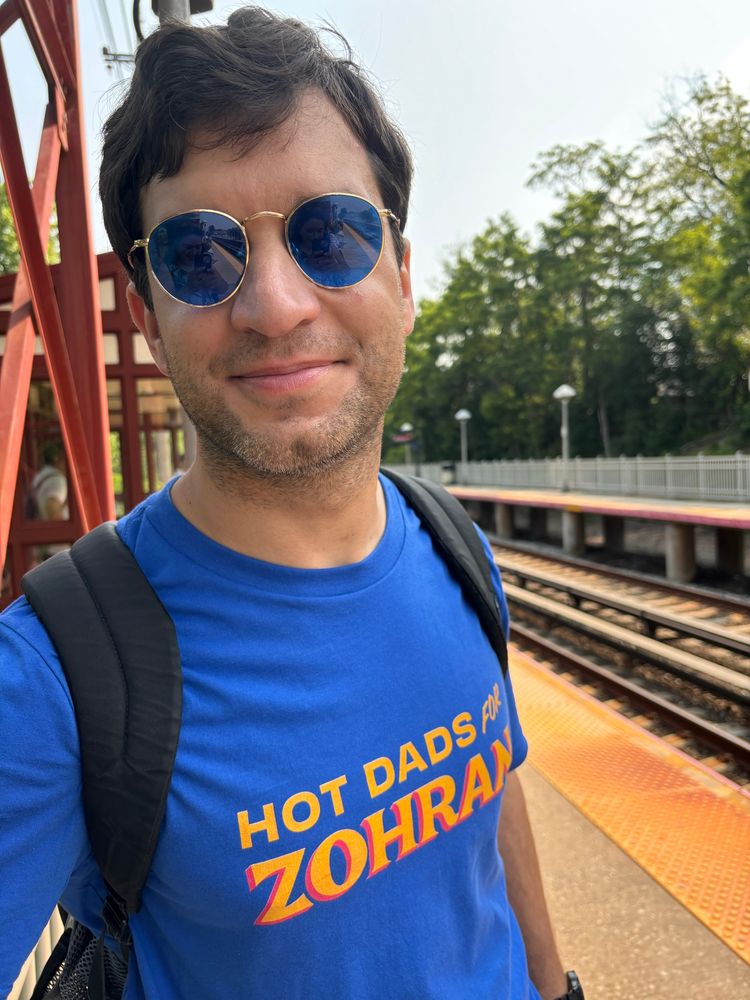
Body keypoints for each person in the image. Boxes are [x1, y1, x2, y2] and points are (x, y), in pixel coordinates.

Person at [0, 9, 582, 999]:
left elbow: (494, 801)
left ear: (402, 277)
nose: (276, 304)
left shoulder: (455, 548)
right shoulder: (52, 681)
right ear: (146, 317)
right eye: (198, 254)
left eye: (333, 234)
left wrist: (556, 983)